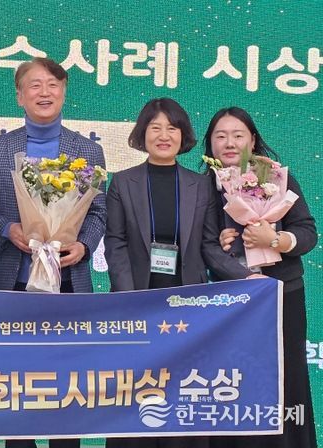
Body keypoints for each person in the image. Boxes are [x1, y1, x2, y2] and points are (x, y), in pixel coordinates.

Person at [104, 98, 258, 448]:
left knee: (184, 394)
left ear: (183, 135)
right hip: (138, 306)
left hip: (188, 309)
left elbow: (209, 246)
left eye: (172, 128)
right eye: (155, 128)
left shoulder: (199, 185)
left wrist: (245, 277)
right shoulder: (122, 182)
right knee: (135, 395)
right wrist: (130, 299)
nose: (164, 135)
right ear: (142, 134)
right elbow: (116, 243)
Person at [0, 57, 106, 448]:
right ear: (20, 96)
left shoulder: (88, 150)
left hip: (68, 282)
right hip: (13, 282)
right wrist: (8, 229)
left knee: (67, 384)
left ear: (64, 92)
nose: (44, 92)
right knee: (15, 383)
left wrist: (83, 244)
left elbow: (99, 211)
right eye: (34, 85)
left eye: (53, 84)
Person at [203, 107, 318, 448]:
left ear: (252, 141)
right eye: (221, 136)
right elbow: (199, 243)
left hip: (281, 294)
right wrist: (219, 243)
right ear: (210, 144)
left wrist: (276, 240)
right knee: (231, 377)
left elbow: (307, 232)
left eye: (238, 135)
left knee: (286, 375)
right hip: (230, 300)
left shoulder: (277, 177)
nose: (229, 143)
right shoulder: (203, 186)